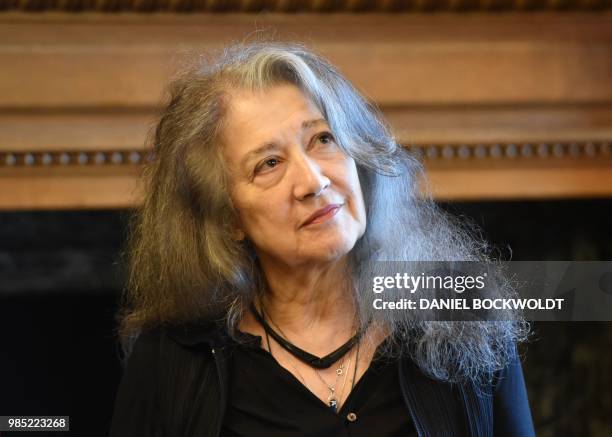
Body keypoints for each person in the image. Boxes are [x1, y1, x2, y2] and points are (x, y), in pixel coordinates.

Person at [109, 41, 535, 437]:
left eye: (323, 139)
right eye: (269, 163)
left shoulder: (461, 318)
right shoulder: (172, 359)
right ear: (227, 217)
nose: (312, 180)